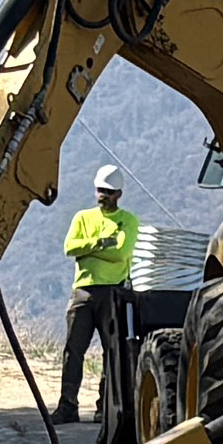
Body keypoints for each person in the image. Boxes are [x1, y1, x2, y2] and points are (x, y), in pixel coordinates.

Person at [53, 167, 140, 423]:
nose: (103, 196)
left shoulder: (128, 221)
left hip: (113, 292)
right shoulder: (82, 218)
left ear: (119, 194)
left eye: (108, 192)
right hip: (83, 290)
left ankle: (105, 407)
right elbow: (70, 247)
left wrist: (88, 249)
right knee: (73, 351)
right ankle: (67, 405)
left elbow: (120, 254)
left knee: (111, 351)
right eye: (101, 190)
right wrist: (100, 243)